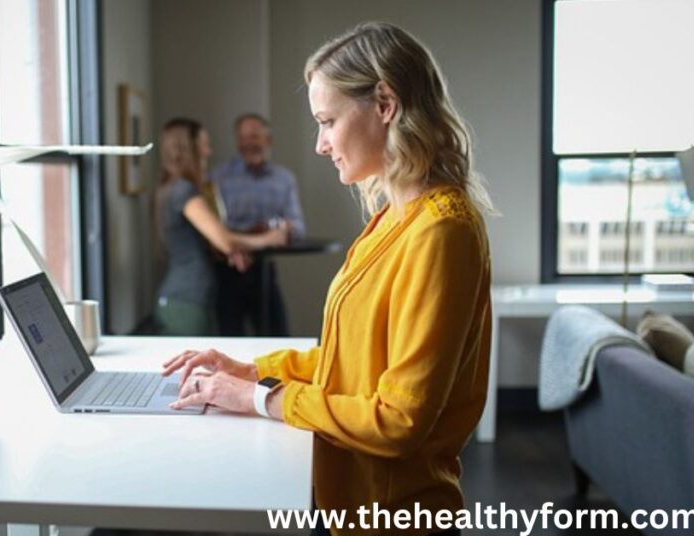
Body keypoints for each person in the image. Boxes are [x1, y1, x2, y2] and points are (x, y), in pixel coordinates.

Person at [162, 22, 494, 536]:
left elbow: (398, 420)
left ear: (385, 104)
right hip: (347, 505)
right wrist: (250, 370)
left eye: (327, 121)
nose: (320, 144)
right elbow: (356, 363)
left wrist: (259, 399)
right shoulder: (394, 216)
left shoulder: (441, 230)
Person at [154, 117, 289, 336]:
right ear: (190, 148)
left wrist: (230, 251)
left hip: (187, 300)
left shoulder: (175, 188)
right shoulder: (184, 192)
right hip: (187, 301)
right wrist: (269, 239)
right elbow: (224, 239)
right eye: (204, 144)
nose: (209, 150)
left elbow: (212, 241)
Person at [210, 114, 307, 336]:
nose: (248, 143)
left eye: (254, 136)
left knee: (278, 338)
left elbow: (299, 228)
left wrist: (281, 231)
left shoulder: (284, 179)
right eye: (243, 138)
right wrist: (259, 234)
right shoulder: (218, 177)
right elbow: (214, 231)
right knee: (230, 343)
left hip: (264, 272)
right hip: (227, 272)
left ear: (268, 140)